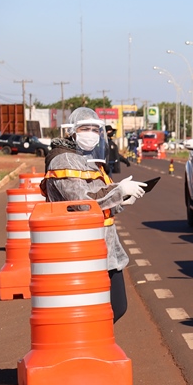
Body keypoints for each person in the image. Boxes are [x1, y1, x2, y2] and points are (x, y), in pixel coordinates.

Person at [40, 107, 147, 323]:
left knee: (115, 307)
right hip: (80, 249)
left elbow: (102, 200)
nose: (90, 133)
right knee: (99, 313)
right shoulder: (64, 160)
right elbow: (83, 203)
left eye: (95, 129)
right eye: (84, 128)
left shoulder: (85, 159)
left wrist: (122, 199)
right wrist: (119, 191)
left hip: (103, 247)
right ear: (71, 132)